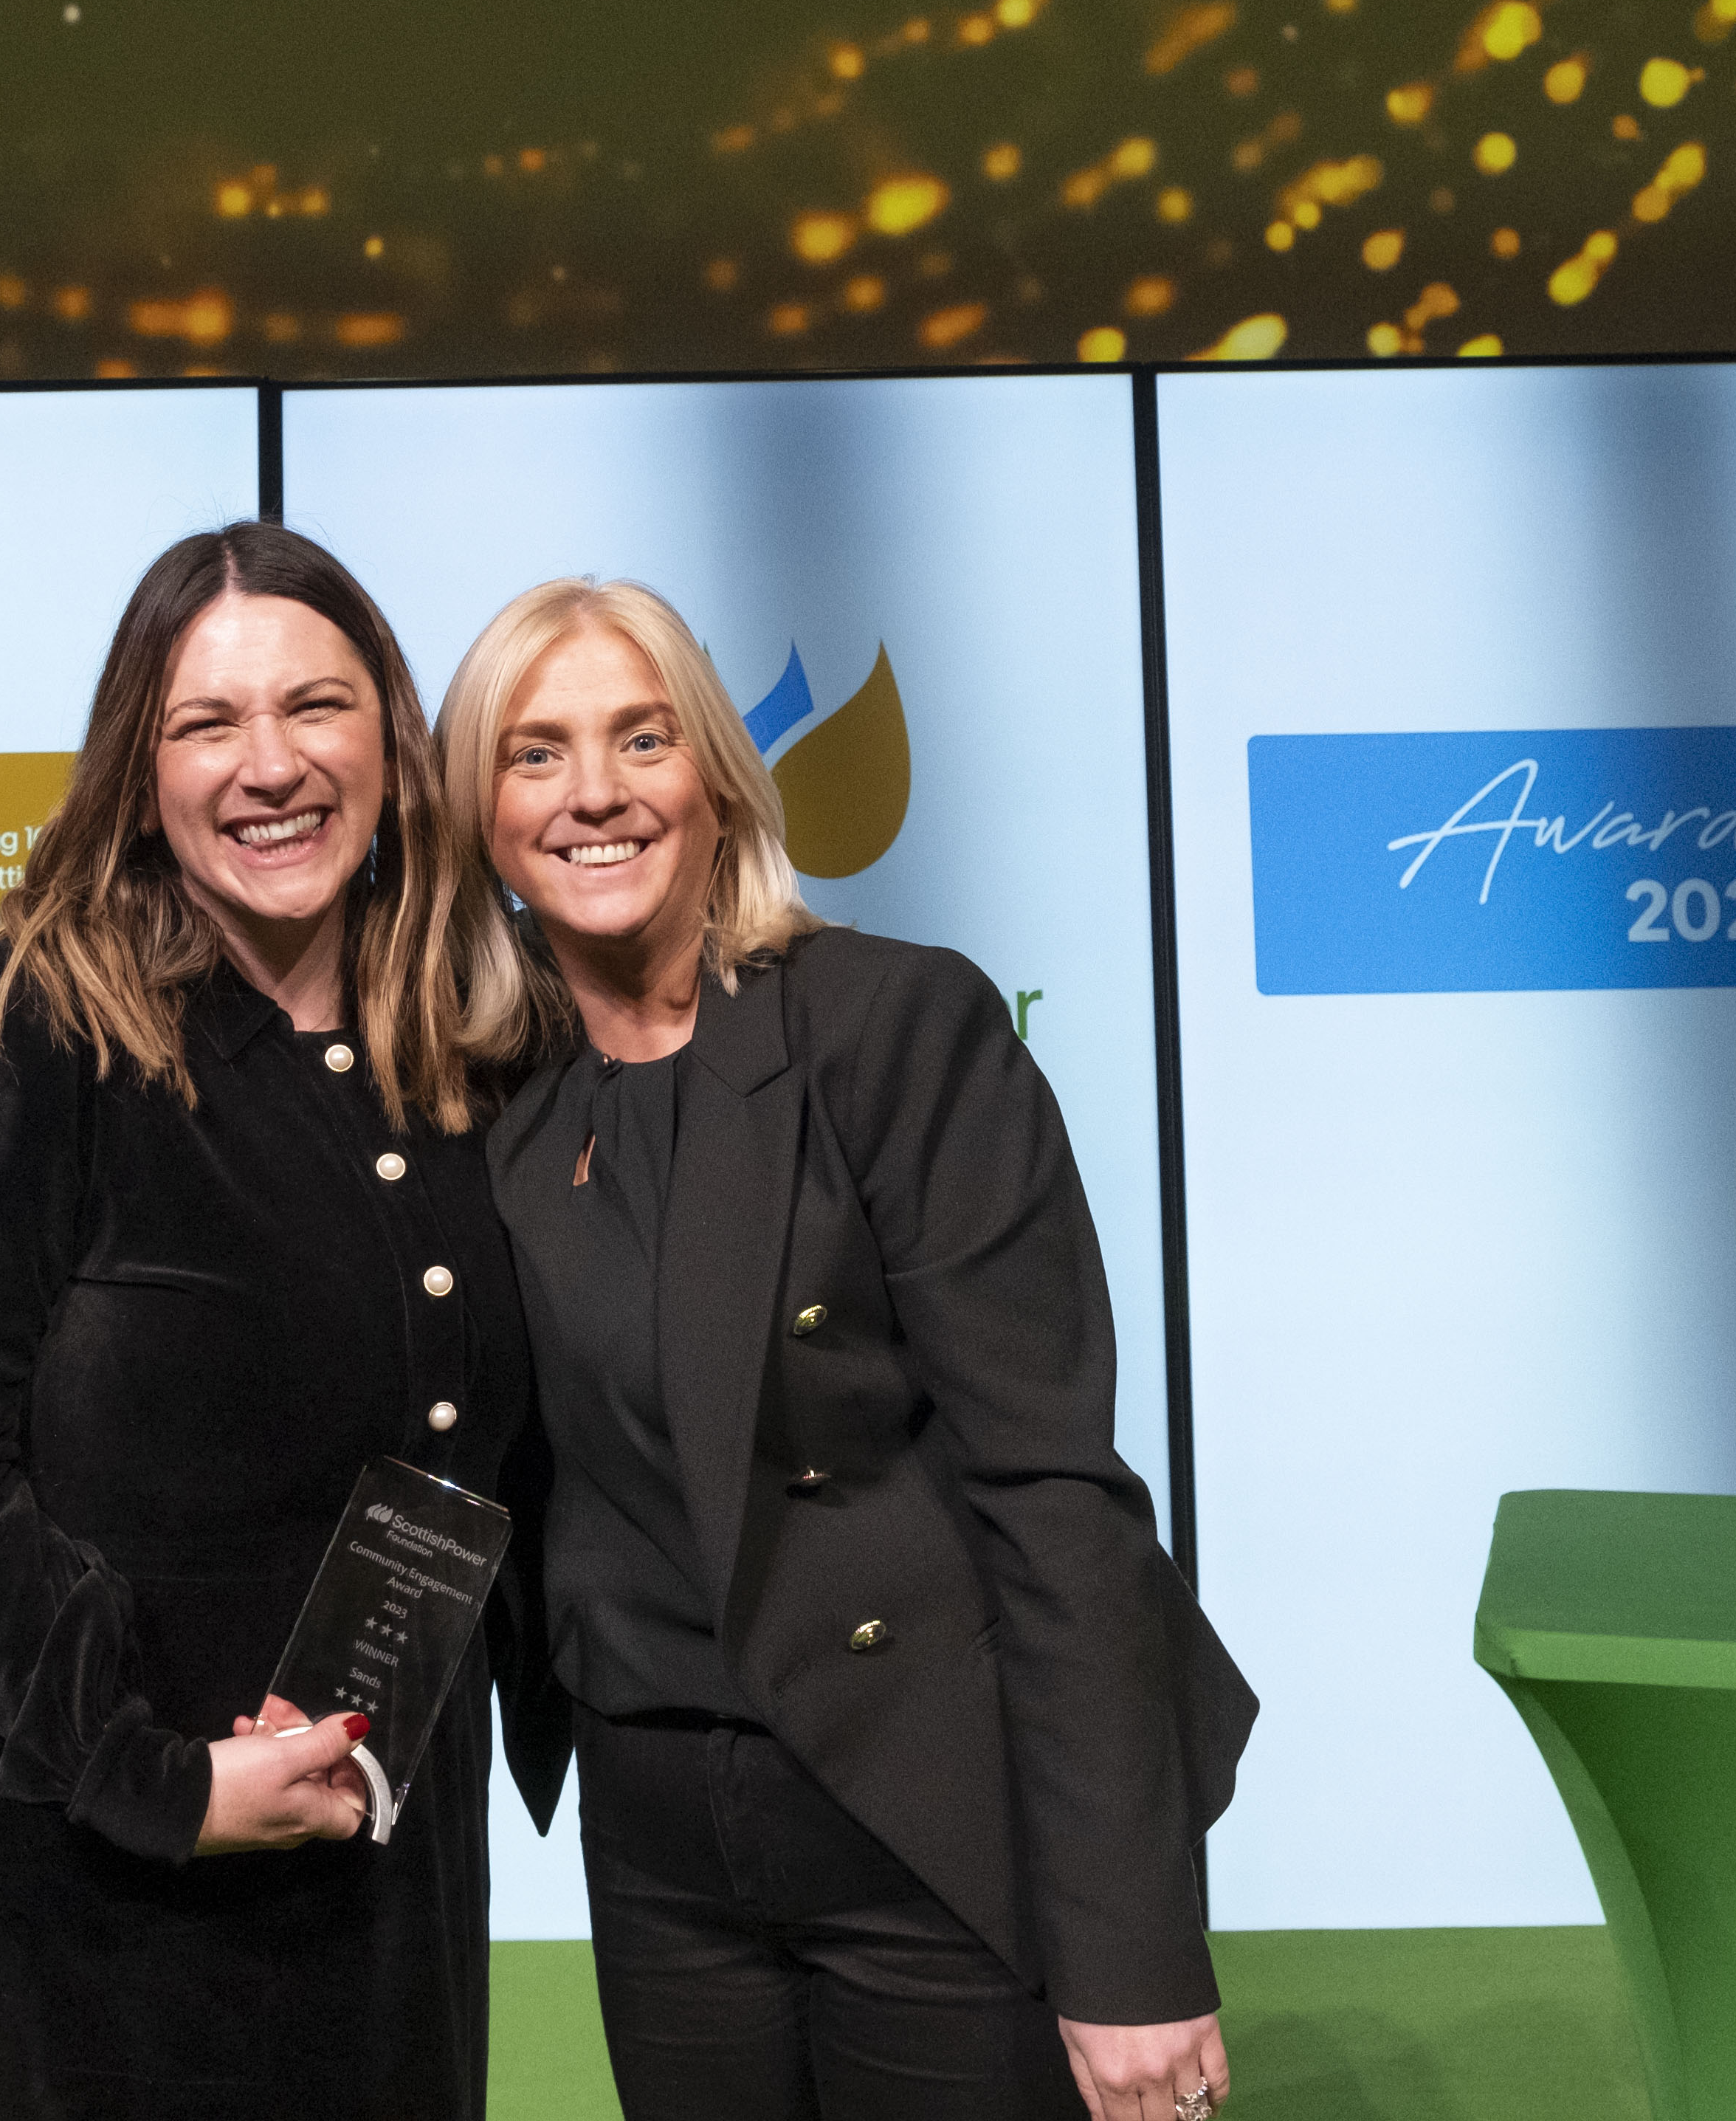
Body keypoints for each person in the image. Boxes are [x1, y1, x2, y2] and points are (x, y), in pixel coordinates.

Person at [437, 578, 1255, 2121]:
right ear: (478, 812)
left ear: (718, 779)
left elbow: (1052, 1493)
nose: (593, 792)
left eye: (642, 738)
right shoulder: (485, 1098)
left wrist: (1132, 1951)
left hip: (924, 1803)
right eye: (534, 753)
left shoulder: (893, 1028)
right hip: (656, 1841)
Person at [0, 524, 543, 2121]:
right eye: (208, 723)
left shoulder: (484, 1046)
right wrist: (156, 1777)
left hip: (371, 1880)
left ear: (395, 744)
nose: (270, 765)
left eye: (317, 707)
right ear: (142, 776)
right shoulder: (26, 1029)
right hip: (60, 1890)